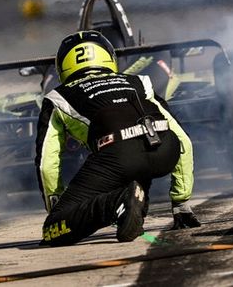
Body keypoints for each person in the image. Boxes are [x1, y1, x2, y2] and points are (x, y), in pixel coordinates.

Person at [35, 30, 200, 246]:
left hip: (120, 155)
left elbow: (47, 164)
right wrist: (181, 203)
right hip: (164, 150)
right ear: (110, 58)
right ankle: (131, 207)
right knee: (135, 162)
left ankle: (118, 203)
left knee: (52, 230)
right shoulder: (141, 82)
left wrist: (57, 208)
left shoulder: (57, 97)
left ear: (62, 67)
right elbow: (183, 141)